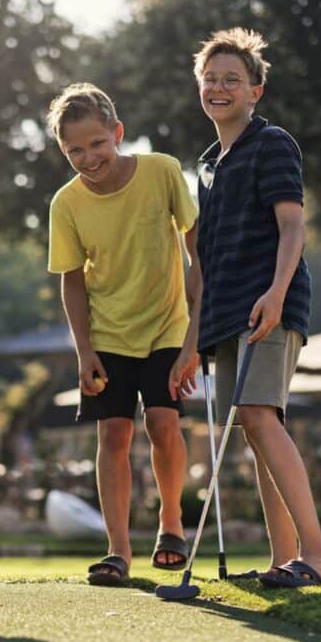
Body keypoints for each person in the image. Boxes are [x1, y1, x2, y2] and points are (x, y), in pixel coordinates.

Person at [170, 28, 321, 586]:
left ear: (255, 92)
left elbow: (293, 228)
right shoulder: (208, 165)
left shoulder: (273, 144)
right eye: (210, 79)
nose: (219, 87)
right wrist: (194, 338)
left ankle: (318, 557)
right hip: (224, 315)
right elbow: (206, 265)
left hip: (270, 304)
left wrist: (275, 292)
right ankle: (283, 559)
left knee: (260, 417)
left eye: (231, 80)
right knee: (255, 423)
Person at [46, 83, 199, 586]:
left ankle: (171, 523)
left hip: (167, 324)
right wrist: (84, 349)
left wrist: (197, 336)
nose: (88, 158)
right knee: (112, 434)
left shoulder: (163, 171)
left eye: (96, 144)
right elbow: (71, 280)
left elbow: (198, 252)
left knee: (162, 423)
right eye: (74, 151)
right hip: (107, 330)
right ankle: (117, 551)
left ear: (117, 132)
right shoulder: (65, 204)